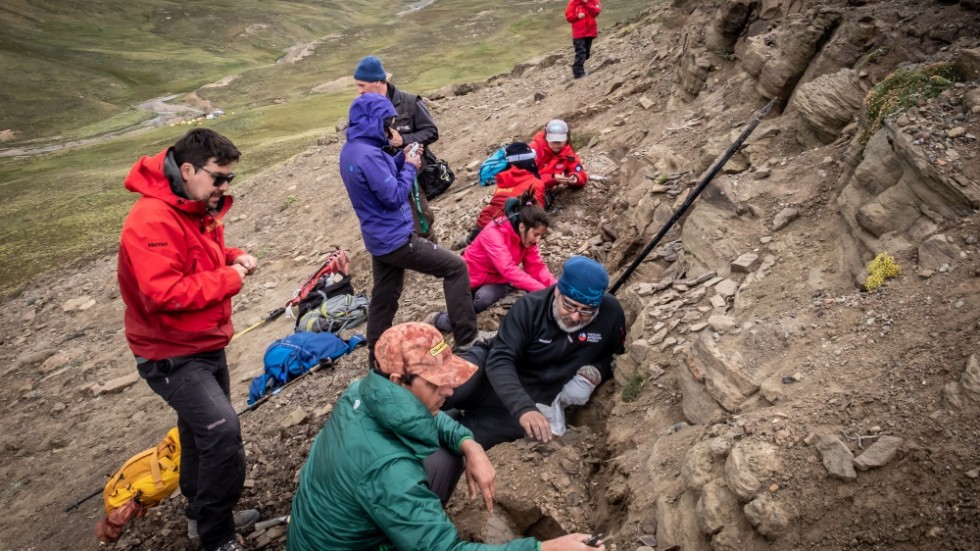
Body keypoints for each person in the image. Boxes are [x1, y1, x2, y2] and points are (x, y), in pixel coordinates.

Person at [286, 322, 604, 551]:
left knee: (447, 446)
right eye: (437, 383)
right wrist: (546, 549)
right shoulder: (391, 471)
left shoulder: (363, 391)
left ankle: (414, 525)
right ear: (399, 380)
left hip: (332, 531)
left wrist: (470, 445)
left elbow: (435, 418)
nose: (450, 389)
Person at [117, 128, 260, 551]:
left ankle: (201, 517)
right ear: (186, 169)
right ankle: (217, 537)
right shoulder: (150, 220)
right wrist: (229, 279)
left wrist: (231, 255)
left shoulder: (191, 205)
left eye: (229, 179)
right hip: (171, 354)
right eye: (219, 177)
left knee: (201, 432)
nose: (224, 187)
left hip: (204, 342)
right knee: (221, 433)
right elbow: (163, 292)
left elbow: (192, 255)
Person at [339, 93, 478, 362]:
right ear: (373, 122)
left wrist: (400, 158)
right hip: (397, 239)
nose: (391, 130)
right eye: (387, 123)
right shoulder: (369, 156)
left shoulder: (353, 150)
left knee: (385, 297)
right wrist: (411, 167)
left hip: (378, 239)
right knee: (455, 268)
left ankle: (375, 359)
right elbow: (393, 196)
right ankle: (468, 340)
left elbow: (379, 176)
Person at [440, 256, 626, 449]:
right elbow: (501, 359)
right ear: (557, 290)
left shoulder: (610, 315)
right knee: (442, 385)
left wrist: (595, 372)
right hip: (487, 370)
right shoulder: (530, 307)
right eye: (569, 305)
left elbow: (614, 355)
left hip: (533, 396)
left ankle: (445, 425)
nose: (575, 316)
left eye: (587, 310)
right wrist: (523, 408)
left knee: (455, 441)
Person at [429, 190, 556, 333]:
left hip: (496, 280)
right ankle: (438, 319)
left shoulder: (526, 238)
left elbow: (536, 267)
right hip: (470, 280)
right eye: (536, 234)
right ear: (522, 227)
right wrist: (544, 293)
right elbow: (508, 269)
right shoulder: (494, 233)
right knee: (460, 320)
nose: (538, 239)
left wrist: (556, 289)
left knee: (484, 298)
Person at [461, 142, 547, 248]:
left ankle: (469, 241)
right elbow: (537, 214)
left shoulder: (503, 180)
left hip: (483, 223)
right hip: (505, 230)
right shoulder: (536, 183)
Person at [529, 119, 588, 206]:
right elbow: (525, 177)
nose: (556, 144)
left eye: (560, 140)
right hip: (528, 189)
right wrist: (551, 178)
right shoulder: (534, 150)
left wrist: (575, 178)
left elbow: (580, 172)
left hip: (545, 191)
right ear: (546, 137)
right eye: (553, 140)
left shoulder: (567, 152)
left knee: (541, 203)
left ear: (566, 139)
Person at [565, 0, 602, 79]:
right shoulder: (573, 3)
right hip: (578, 34)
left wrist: (587, 3)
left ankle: (578, 66)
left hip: (590, 32)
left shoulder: (594, 1)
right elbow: (568, 17)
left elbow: (596, 12)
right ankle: (578, 73)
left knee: (586, 54)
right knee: (581, 53)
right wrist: (577, 16)